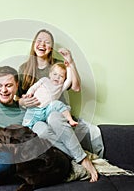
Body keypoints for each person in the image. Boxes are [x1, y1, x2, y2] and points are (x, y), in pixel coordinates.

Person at [17, 29, 98, 182]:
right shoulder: (24, 68)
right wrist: (22, 101)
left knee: (54, 118)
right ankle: (76, 156)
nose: (42, 44)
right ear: (34, 43)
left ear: (51, 47)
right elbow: (18, 98)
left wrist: (71, 62)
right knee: (41, 131)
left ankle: (83, 160)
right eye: (39, 40)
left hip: (55, 111)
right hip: (36, 114)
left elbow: (76, 87)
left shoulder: (57, 66)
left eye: (47, 42)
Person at [22, 61, 78, 129]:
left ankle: (70, 120)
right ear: (50, 74)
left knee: (58, 104)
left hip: (47, 110)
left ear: (64, 79)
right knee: (26, 124)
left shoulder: (60, 87)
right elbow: (33, 87)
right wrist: (29, 94)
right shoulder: (44, 80)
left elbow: (69, 80)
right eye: (55, 74)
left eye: (61, 76)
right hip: (34, 109)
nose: (57, 77)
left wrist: (68, 67)